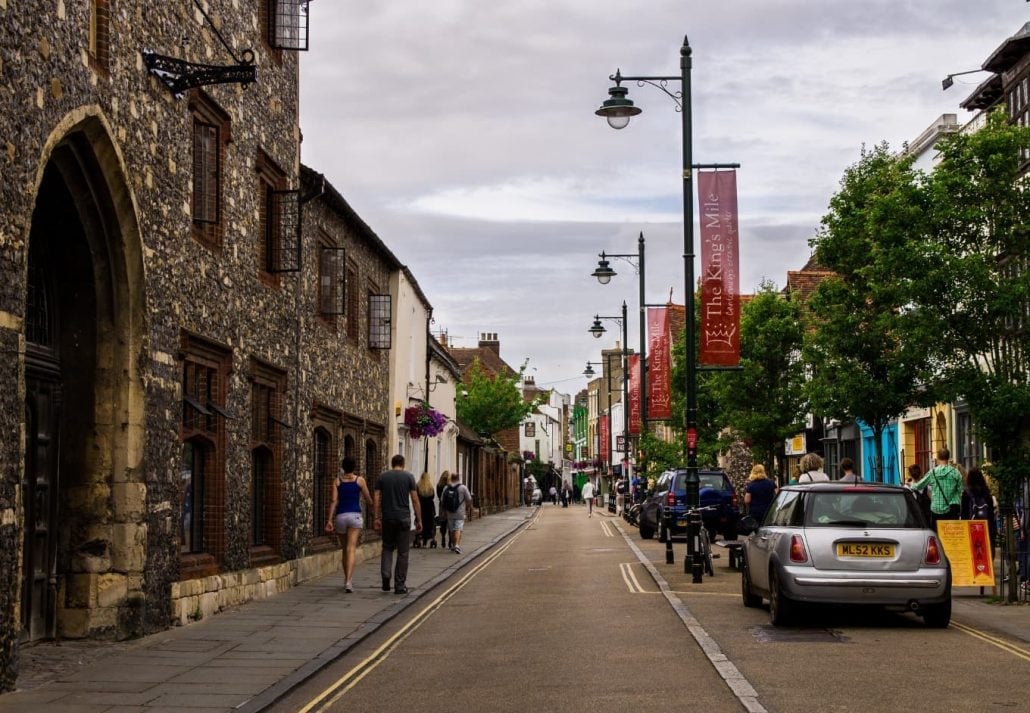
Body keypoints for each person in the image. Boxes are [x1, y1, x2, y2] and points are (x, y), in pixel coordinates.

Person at [373, 454, 421, 595]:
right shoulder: (409, 477)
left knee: (387, 547)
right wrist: (419, 519)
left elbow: (376, 497)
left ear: (392, 463)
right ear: (403, 464)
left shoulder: (383, 477)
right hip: (404, 518)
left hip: (388, 518)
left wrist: (376, 517)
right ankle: (399, 585)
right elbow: (415, 499)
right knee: (403, 552)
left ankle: (386, 576)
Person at [325, 456, 373, 593]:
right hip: (355, 516)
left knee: (344, 549)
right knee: (351, 548)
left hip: (340, 517)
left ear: (343, 467)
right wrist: (374, 514)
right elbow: (368, 499)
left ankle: (346, 578)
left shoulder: (337, 481)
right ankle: (348, 582)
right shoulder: (360, 480)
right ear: (354, 467)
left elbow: (334, 501)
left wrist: (329, 520)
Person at [910, 448, 963, 531]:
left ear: (938, 458)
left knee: (937, 535)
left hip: (936, 510)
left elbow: (918, 486)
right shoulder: (956, 472)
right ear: (948, 457)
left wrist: (910, 485)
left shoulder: (933, 473)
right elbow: (960, 490)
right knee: (951, 536)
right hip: (952, 509)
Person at [961, 466, 997, 550]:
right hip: (986, 528)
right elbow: (991, 515)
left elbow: (964, 514)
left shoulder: (966, 494)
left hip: (971, 528)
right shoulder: (986, 493)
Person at [441, 471, 473, 555]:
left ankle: (453, 545)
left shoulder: (446, 488)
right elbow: (469, 499)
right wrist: (467, 508)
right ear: (459, 478)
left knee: (451, 529)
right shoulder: (463, 487)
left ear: (451, 478)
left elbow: (442, 501)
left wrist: (444, 511)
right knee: (458, 528)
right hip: (460, 512)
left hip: (449, 512)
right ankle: (457, 546)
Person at [415, 472, 437, 549]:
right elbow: (433, 496)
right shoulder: (430, 487)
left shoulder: (418, 486)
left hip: (421, 507)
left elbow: (416, 497)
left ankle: (419, 537)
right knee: (429, 524)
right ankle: (426, 541)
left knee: (420, 522)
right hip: (429, 507)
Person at [435, 472, 451, 549]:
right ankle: (450, 541)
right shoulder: (449, 486)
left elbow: (438, 496)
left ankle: (443, 537)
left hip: (442, 507)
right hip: (449, 507)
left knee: (443, 523)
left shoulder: (439, 485)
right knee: (450, 523)